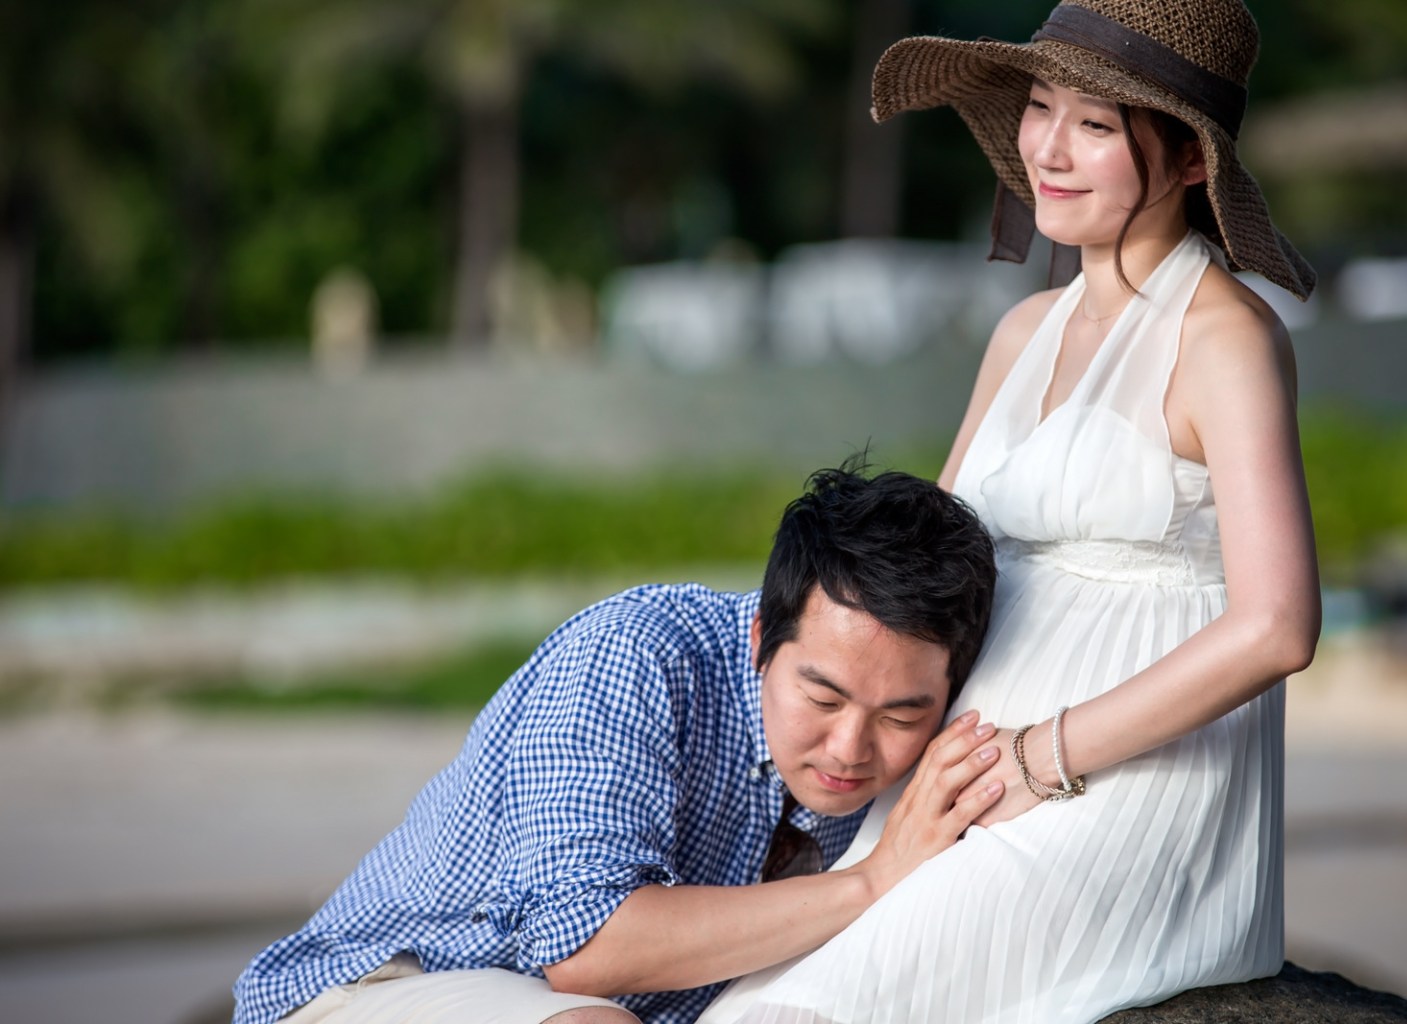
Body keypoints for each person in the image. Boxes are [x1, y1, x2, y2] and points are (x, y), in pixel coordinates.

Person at [700, 0, 1321, 1021]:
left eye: (1095, 124)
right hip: (971, 759)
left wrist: (1044, 759)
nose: (1050, 150)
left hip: (1123, 779)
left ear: (1193, 161)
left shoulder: (1227, 342)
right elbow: (923, 571)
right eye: (1041, 108)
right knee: (756, 989)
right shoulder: (1024, 329)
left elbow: (1277, 627)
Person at [231, 463, 1002, 1024]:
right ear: (765, 637)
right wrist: (872, 879)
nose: (849, 748)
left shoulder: (924, 744)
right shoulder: (634, 658)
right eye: (822, 697)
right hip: (373, 989)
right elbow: (587, 947)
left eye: (901, 718)